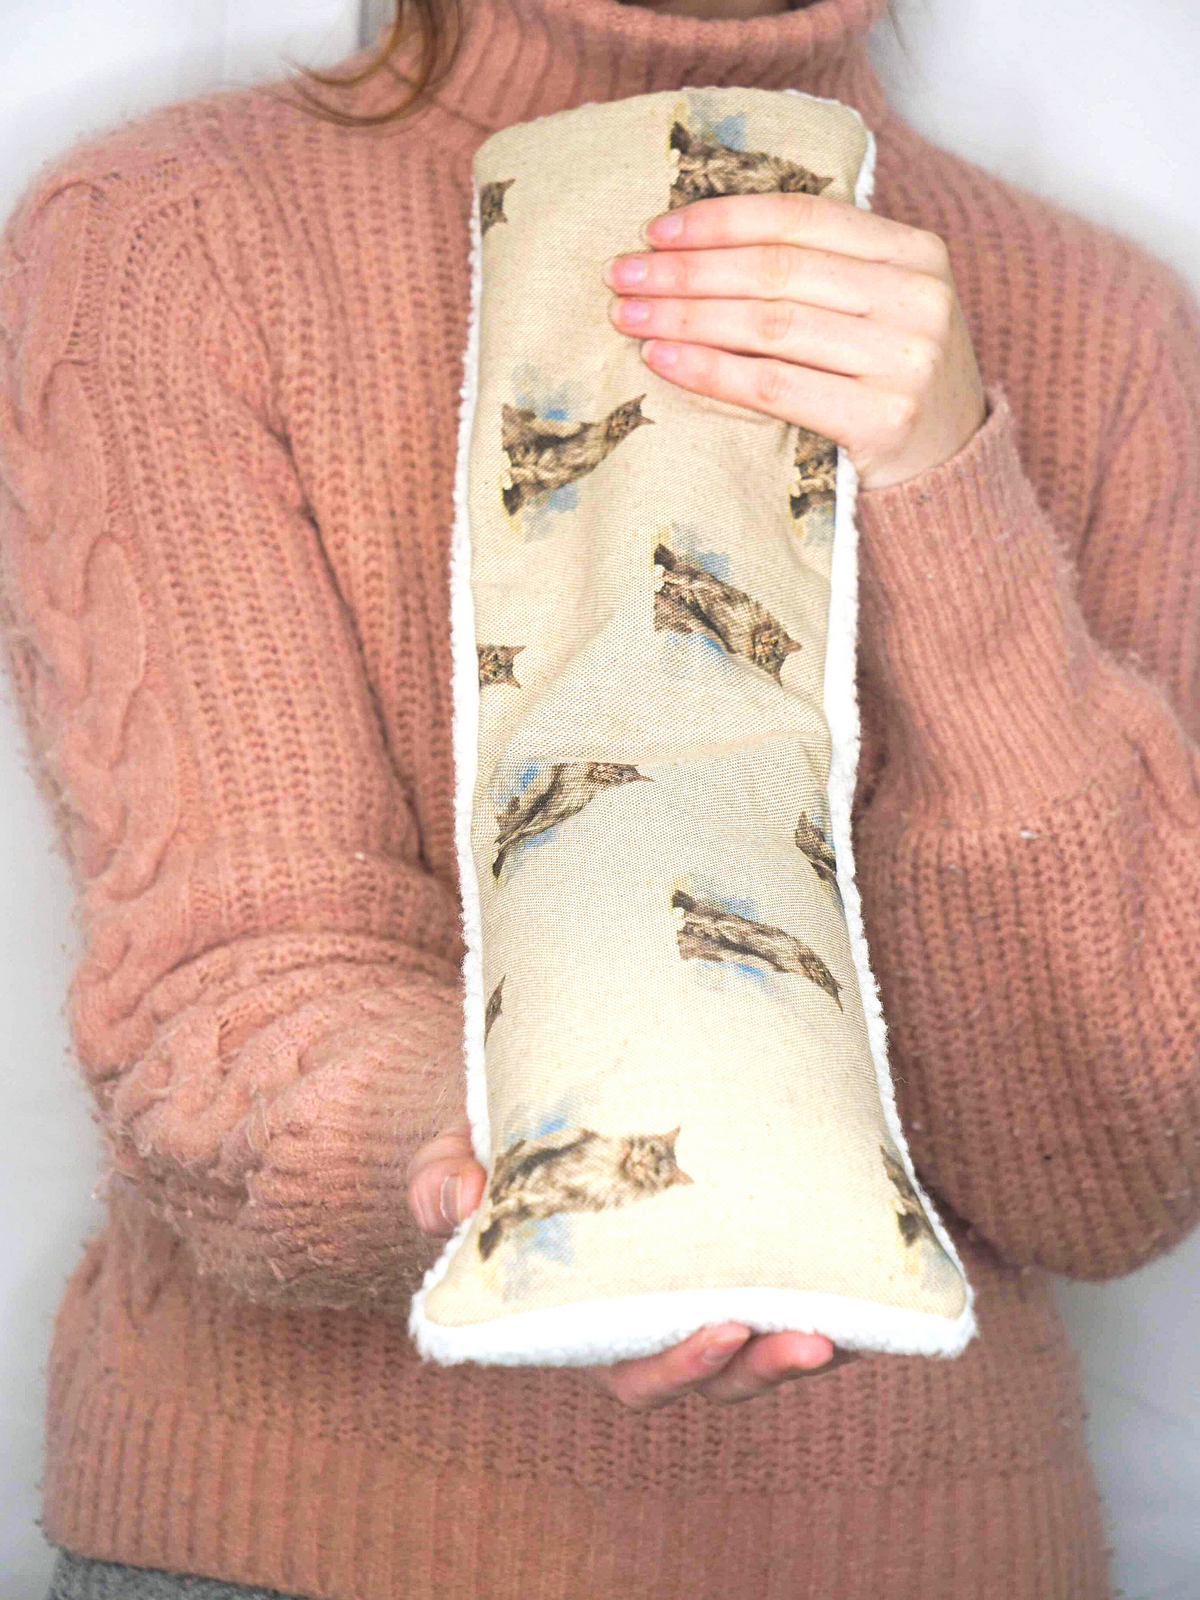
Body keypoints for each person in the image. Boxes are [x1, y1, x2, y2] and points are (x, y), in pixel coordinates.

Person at [1, 0, 1196, 1592]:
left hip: (926, 1554)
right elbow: (225, 995)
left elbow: (1106, 1180)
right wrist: (541, 1170)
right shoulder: (168, 239)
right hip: (303, 1542)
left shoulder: (1102, 322)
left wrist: (944, 486)